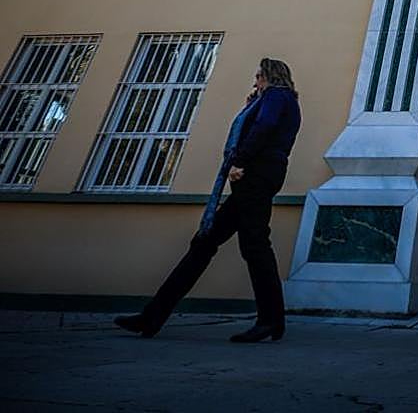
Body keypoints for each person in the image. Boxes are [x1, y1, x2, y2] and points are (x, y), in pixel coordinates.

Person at [114, 58, 302, 343]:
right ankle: (152, 317)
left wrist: (240, 160)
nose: (255, 82)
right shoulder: (279, 99)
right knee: (206, 243)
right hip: (260, 176)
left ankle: (271, 320)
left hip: (256, 175)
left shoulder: (277, 96)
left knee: (254, 246)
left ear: (270, 75)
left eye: (258, 76)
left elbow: (264, 126)